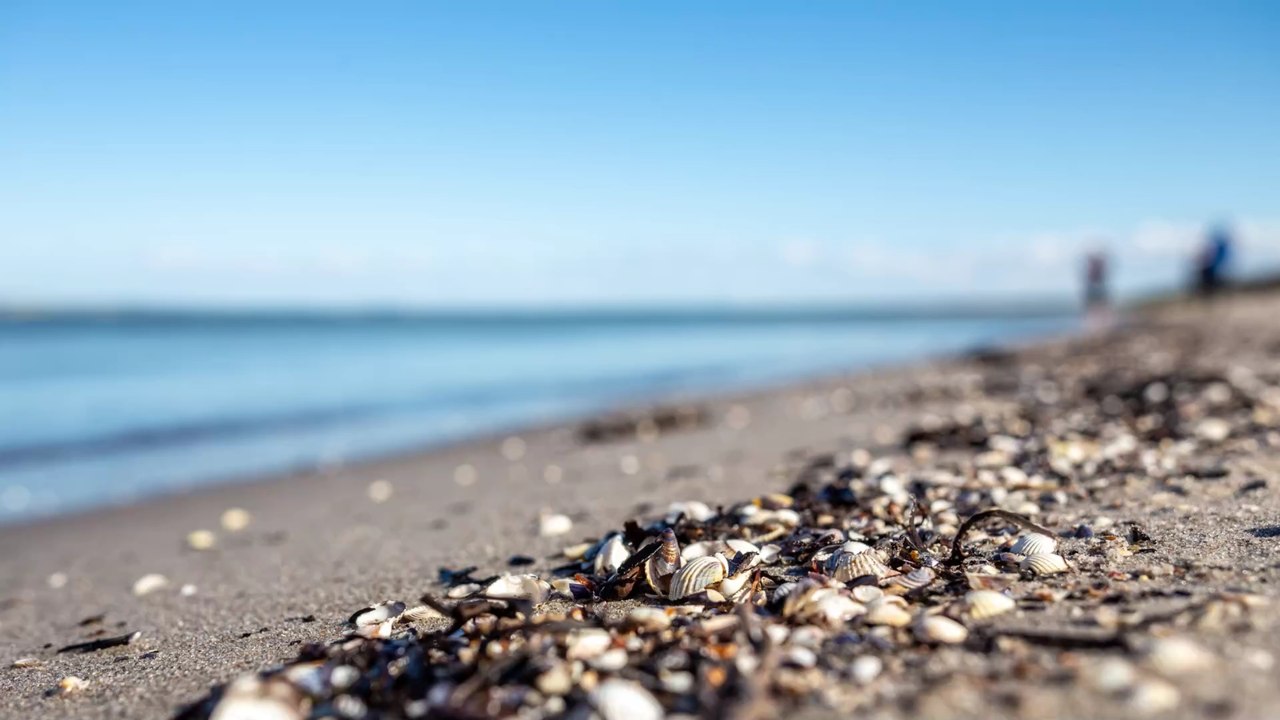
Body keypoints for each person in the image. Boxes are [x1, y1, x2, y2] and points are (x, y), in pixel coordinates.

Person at [1196, 223, 1233, 297]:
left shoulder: (1220, 246)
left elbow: (1212, 258)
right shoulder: (1222, 247)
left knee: (1209, 287)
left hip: (1213, 271)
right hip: (1216, 270)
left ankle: (1207, 295)